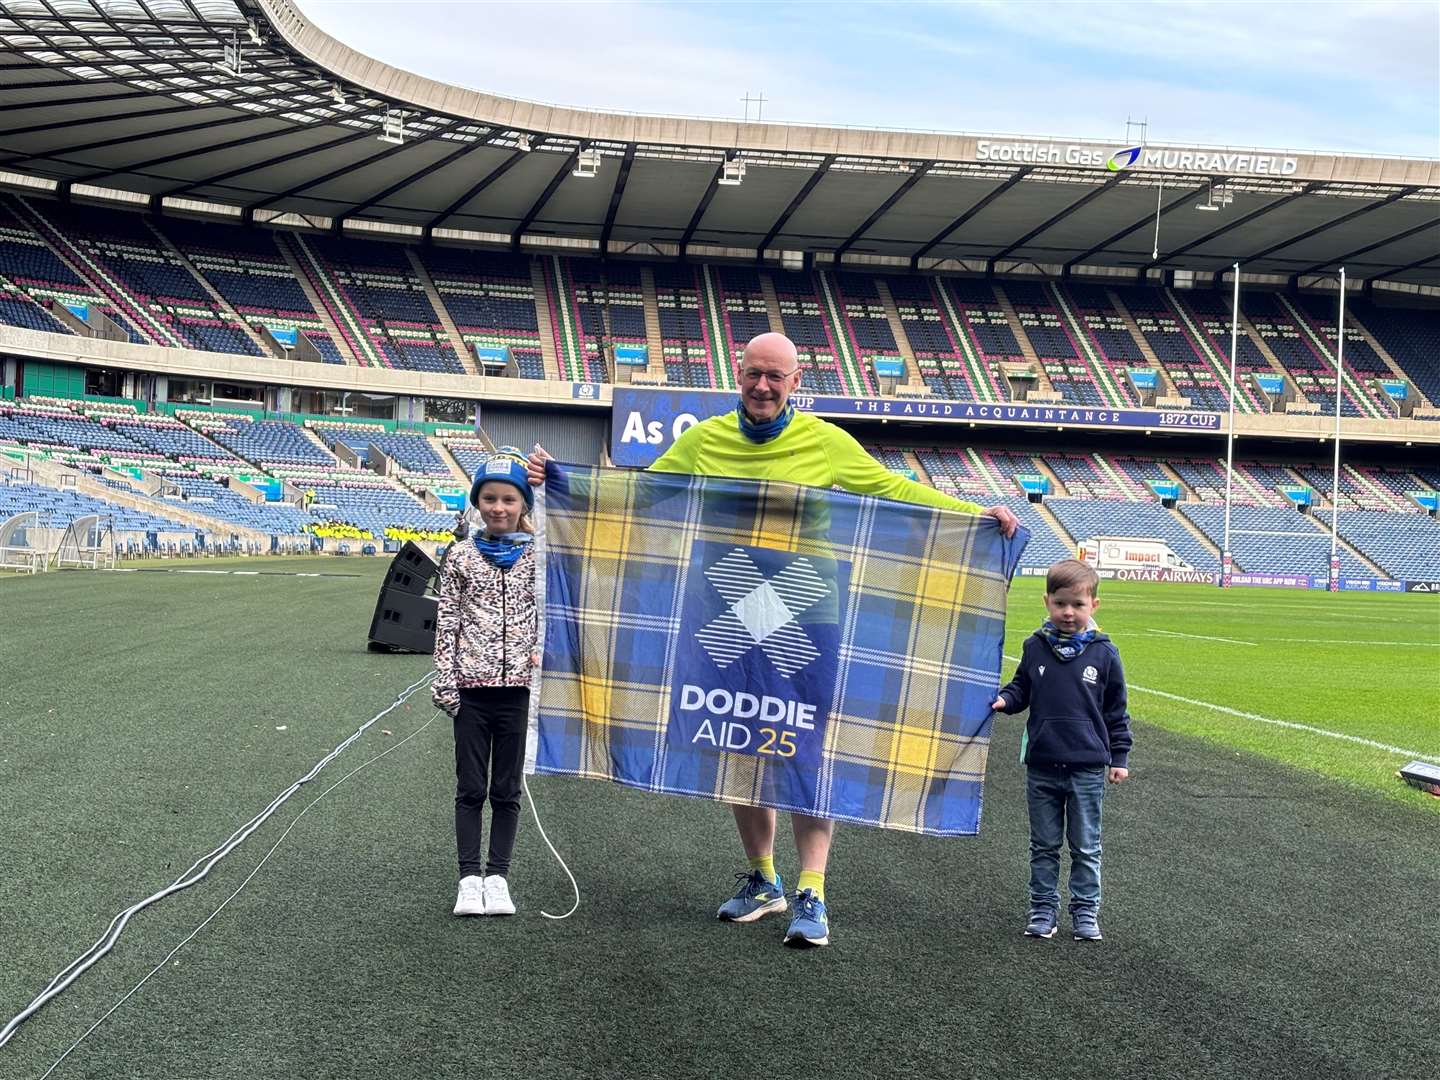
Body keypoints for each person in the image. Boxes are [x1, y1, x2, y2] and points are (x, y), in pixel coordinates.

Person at [529, 331, 1019, 948]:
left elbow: (893, 492)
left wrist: (975, 515)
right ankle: (764, 879)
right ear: (741, 375)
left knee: (804, 749)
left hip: (805, 608)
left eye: (775, 377)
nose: (763, 386)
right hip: (725, 610)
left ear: (795, 383)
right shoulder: (704, 439)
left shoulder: (825, 442)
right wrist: (565, 483)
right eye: (754, 374)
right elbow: (645, 492)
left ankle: (812, 888)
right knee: (737, 735)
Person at [991, 558, 1131, 942]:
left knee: (1086, 846)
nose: (1068, 613)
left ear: (1094, 606)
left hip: (1086, 768)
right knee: (1044, 844)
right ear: (1047, 601)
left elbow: (1116, 711)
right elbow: (1022, 688)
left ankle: (1086, 912)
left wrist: (1118, 757)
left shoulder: (1105, 653)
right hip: (1042, 765)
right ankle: (1042, 909)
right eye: (1060, 604)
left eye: (1078, 605)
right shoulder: (1035, 647)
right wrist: (1005, 699)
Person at [432, 456, 539, 918]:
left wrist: (542, 664)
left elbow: (551, 616)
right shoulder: (459, 556)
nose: (499, 507)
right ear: (476, 502)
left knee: (507, 789)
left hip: (518, 691)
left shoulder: (539, 556)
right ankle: (468, 878)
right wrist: (446, 680)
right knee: (471, 787)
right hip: (471, 691)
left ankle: (498, 877)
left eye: (509, 499)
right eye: (489, 498)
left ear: (523, 504)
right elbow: (447, 620)